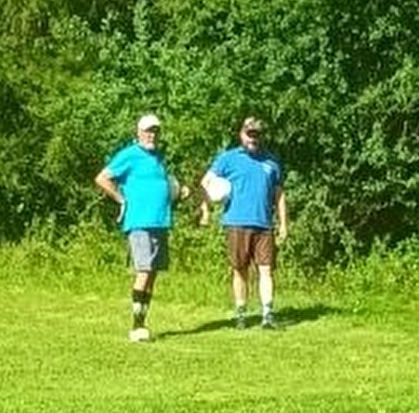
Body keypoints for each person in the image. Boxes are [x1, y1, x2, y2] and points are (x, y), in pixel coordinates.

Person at [94, 114, 185, 342]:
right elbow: (102, 178)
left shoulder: (159, 158)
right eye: (147, 131)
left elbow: (164, 186)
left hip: (160, 222)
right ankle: (136, 326)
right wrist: (120, 199)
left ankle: (143, 319)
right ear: (139, 132)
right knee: (144, 270)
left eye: (155, 131)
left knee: (152, 273)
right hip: (139, 222)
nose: (151, 135)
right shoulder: (130, 155)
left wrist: (178, 192)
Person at [200, 116, 288, 330]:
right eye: (249, 134)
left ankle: (267, 315)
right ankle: (241, 313)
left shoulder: (271, 162)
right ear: (241, 134)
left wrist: (284, 224)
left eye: (256, 135)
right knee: (240, 269)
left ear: (262, 136)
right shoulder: (228, 158)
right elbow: (205, 182)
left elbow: (279, 195)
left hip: (264, 224)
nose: (252, 139)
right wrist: (206, 210)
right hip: (236, 223)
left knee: (266, 269)